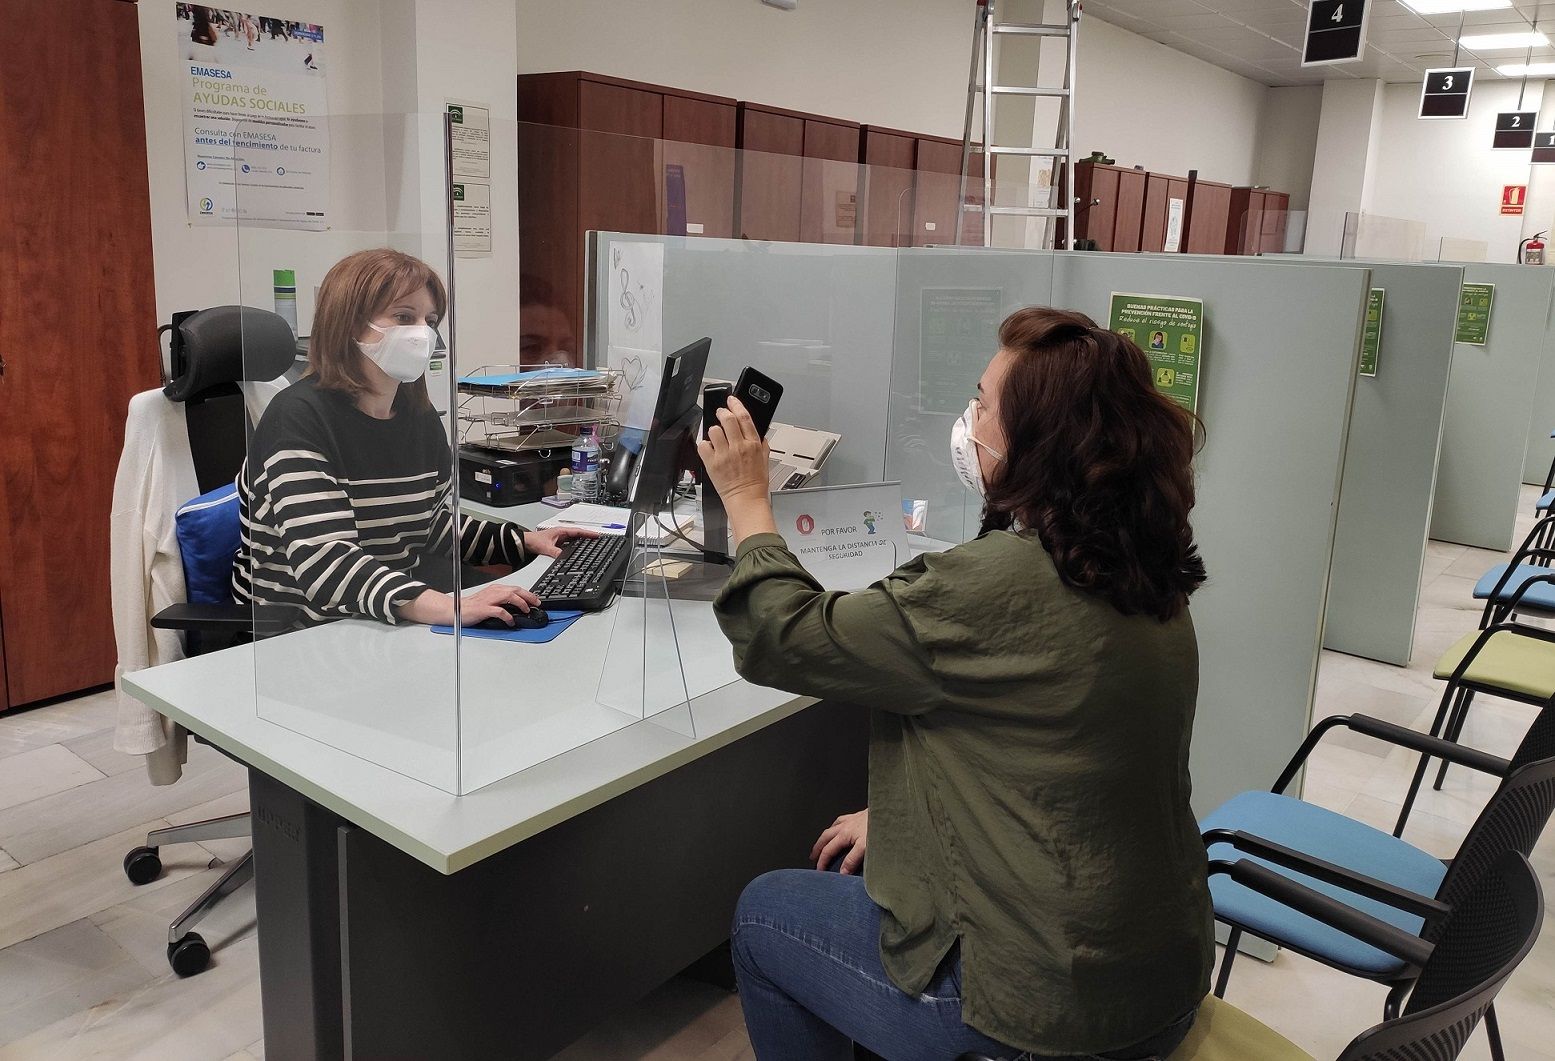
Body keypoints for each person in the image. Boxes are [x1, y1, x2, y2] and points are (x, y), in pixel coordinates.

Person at [699, 307, 1213, 1061]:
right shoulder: (1144, 568)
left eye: (982, 403)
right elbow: (1051, 768)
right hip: (1159, 981)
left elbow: (782, 634)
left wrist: (747, 497)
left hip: (1038, 1015)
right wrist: (903, 821)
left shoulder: (990, 585)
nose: (968, 421)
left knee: (762, 915)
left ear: (1034, 444)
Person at [232, 248, 594, 628]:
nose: (423, 332)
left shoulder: (418, 416)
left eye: (430, 320)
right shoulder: (297, 418)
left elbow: (430, 526)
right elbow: (327, 564)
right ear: (349, 324)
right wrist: (449, 606)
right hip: (296, 633)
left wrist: (524, 541)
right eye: (404, 317)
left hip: (379, 620)